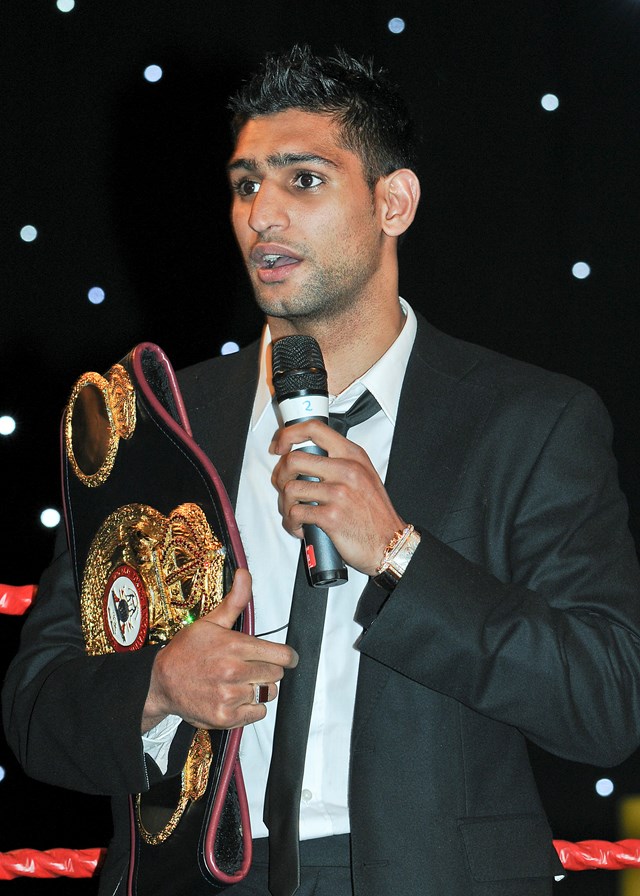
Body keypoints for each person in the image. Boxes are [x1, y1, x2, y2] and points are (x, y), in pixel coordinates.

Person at [4, 43, 640, 896]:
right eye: (244, 185)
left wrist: (401, 553)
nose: (263, 212)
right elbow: (38, 706)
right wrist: (155, 687)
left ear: (394, 201)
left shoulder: (529, 422)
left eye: (302, 180)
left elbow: (606, 703)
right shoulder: (160, 420)